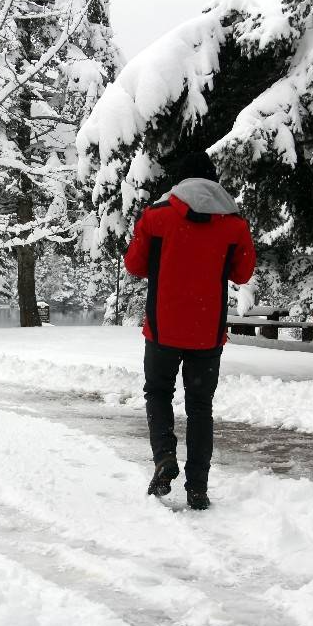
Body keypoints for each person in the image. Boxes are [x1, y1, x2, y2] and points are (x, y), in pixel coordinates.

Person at [123, 152, 256, 510]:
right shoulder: (234, 226)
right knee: (200, 407)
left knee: (158, 393)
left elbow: (134, 266)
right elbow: (242, 274)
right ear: (214, 183)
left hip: (163, 328)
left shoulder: (156, 218)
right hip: (207, 332)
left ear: (178, 184)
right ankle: (198, 487)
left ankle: (165, 457)